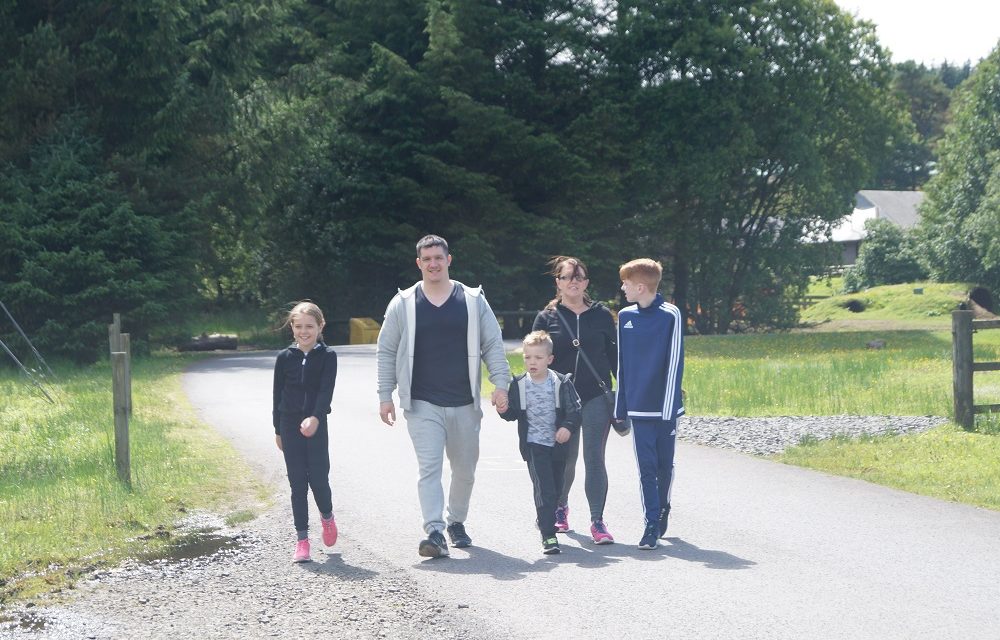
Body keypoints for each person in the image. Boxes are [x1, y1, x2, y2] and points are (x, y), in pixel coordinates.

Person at [377, 234, 511, 558]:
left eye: (439, 258)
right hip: (422, 403)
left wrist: (501, 384)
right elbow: (386, 350)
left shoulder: (472, 300)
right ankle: (434, 532)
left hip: (464, 402)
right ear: (419, 263)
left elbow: (492, 343)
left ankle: (456, 521)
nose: (433, 264)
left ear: (448, 260)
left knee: (464, 470)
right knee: (430, 467)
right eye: (427, 259)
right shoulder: (404, 303)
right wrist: (385, 395)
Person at [532, 256, 622, 544]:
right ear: (557, 282)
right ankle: (560, 508)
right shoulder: (546, 318)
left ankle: (597, 521)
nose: (574, 281)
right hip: (562, 400)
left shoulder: (601, 315)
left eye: (580, 277)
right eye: (568, 276)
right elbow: (535, 359)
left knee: (594, 458)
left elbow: (615, 356)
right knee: (565, 459)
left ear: (586, 283)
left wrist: (627, 392)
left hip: (596, 395)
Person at [615, 258, 685, 550]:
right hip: (639, 409)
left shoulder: (671, 315)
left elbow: (675, 363)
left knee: (663, 466)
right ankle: (651, 524)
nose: (622, 288)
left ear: (640, 286)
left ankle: (664, 505)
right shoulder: (625, 316)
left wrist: (669, 408)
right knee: (646, 467)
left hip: (665, 407)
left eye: (626, 284)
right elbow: (623, 364)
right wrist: (621, 408)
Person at [498, 331, 582, 554]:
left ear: (549, 359)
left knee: (555, 490)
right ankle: (549, 535)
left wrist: (567, 427)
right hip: (534, 445)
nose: (532, 362)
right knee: (544, 489)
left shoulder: (561, 382)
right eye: (527, 357)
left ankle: (545, 517)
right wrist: (503, 409)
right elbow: (512, 413)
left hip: (557, 446)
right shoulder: (519, 384)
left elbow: (575, 410)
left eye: (538, 358)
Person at [272, 301, 339, 563]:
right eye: (298, 326)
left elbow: (325, 392)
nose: (304, 332)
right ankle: (302, 541)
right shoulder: (284, 357)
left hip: (316, 425)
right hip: (289, 426)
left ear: (320, 326)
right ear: (292, 327)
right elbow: (277, 395)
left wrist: (315, 417)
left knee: (319, 480)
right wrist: (278, 429)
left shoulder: (328, 356)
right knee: (297, 482)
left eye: (309, 326)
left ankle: (327, 518)